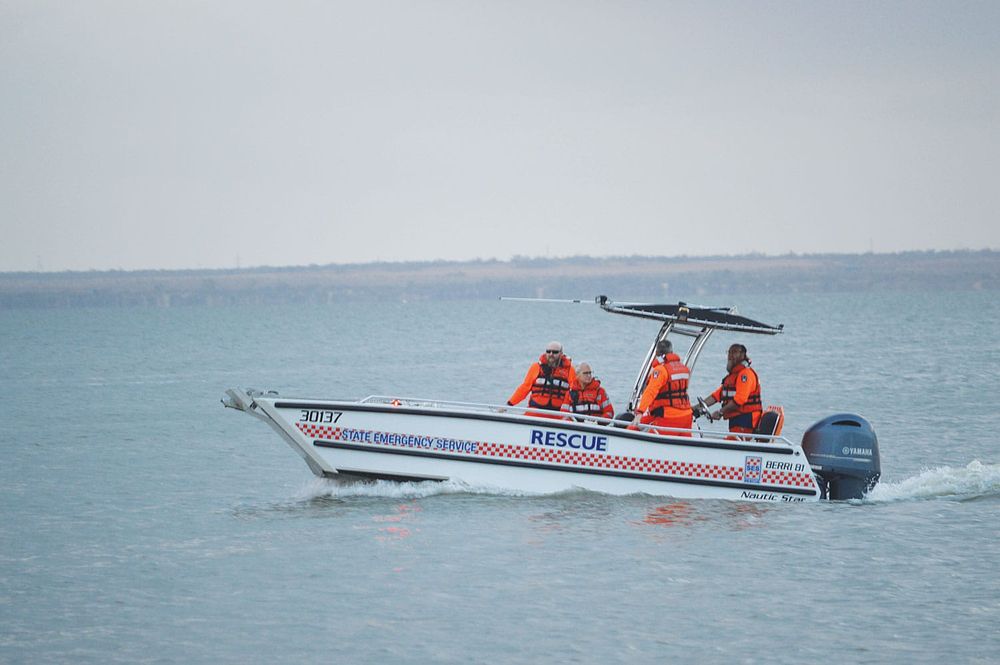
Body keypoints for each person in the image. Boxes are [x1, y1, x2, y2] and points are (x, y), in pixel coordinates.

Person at [694, 343, 762, 434]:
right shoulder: (733, 377)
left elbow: (740, 399)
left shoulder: (745, 375)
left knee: (734, 441)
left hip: (746, 420)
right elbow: (716, 396)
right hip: (736, 420)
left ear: (742, 355)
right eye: (729, 352)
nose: (731, 355)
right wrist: (693, 408)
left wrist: (720, 412)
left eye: (734, 352)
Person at [630, 339, 693, 436]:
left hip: (668, 417)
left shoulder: (661, 370)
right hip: (686, 417)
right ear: (671, 352)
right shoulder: (684, 369)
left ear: (657, 353)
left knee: (632, 429)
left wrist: (639, 413)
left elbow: (650, 391)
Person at [507, 342, 578, 417]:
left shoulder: (570, 370)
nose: (551, 354)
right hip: (534, 412)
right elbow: (524, 388)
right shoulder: (536, 367)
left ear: (561, 354)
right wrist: (509, 404)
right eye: (548, 351)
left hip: (557, 414)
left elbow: (575, 392)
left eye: (555, 352)